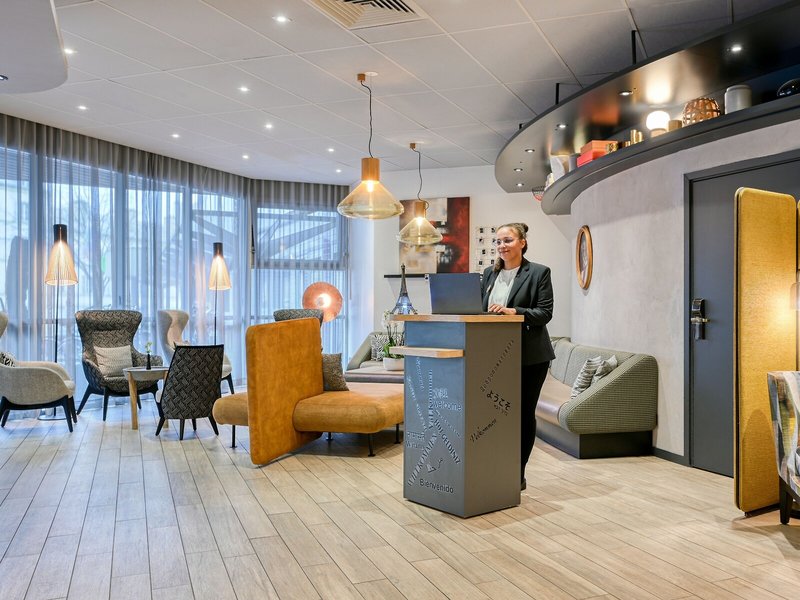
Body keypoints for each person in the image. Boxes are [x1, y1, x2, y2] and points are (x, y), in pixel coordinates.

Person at [480, 222, 555, 491]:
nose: (502, 246)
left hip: (529, 357)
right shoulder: (489, 274)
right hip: (493, 356)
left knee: (522, 415)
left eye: (508, 240)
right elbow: (479, 311)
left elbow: (545, 313)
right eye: (498, 241)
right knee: (496, 414)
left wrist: (515, 312)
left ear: (522, 242)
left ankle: (516, 474)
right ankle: (495, 468)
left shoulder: (538, 273)